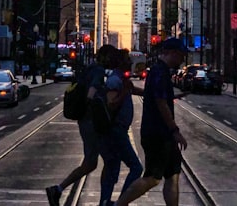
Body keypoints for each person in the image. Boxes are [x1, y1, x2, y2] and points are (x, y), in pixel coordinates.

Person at [113, 37, 188, 206]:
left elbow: (155, 97)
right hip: (158, 134)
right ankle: (119, 204)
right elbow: (161, 103)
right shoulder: (160, 72)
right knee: (153, 178)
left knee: (173, 174)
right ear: (173, 53)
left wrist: (172, 96)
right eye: (181, 55)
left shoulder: (158, 71)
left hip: (161, 134)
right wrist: (175, 131)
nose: (182, 59)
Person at [45, 45, 113, 206]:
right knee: (107, 161)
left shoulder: (88, 69)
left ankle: (58, 189)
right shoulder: (98, 70)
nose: (111, 60)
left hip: (85, 120)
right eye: (110, 56)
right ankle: (104, 200)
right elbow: (92, 90)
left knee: (91, 163)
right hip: (91, 122)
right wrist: (94, 107)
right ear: (104, 56)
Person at [100, 48, 143, 206]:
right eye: (127, 60)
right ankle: (121, 202)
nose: (131, 63)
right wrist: (125, 91)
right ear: (120, 62)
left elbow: (137, 91)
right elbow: (111, 103)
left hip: (118, 130)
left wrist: (161, 95)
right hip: (116, 131)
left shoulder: (122, 80)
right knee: (136, 167)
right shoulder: (115, 80)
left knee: (112, 168)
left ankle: (105, 202)